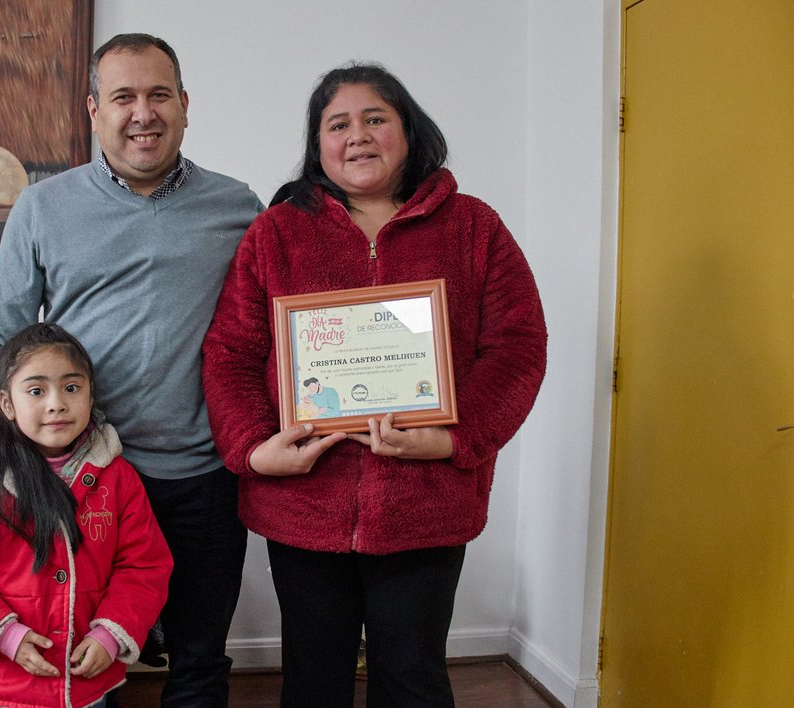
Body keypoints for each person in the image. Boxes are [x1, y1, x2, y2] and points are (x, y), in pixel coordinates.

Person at [0, 34, 264, 707]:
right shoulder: (43, 207)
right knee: (78, 655)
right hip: (77, 477)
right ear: (93, 109)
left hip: (199, 474)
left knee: (199, 659)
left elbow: (268, 333)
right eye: (123, 97)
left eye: (159, 94)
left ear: (185, 104)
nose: (143, 113)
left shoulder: (238, 207)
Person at [201, 63, 547, 707]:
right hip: (303, 504)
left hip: (427, 503)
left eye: (375, 118)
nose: (356, 135)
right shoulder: (276, 233)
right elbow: (231, 353)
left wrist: (453, 439)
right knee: (313, 681)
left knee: (413, 679)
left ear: (408, 130)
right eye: (338, 125)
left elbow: (517, 349)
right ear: (318, 145)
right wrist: (254, 450)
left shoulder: (474, 228)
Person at [0, 323, 173, 708]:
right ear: (7, 404)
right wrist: (4, 635)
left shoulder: (118, 477)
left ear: (91, 394)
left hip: (86, 683)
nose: (57, 404)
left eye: (72, 388)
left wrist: (110, 634)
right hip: (3, 686)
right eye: (36, 391)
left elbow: (144, 565)